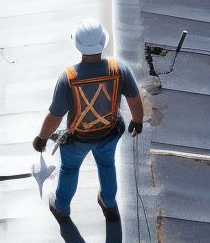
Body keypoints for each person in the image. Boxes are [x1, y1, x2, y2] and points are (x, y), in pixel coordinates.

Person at [32, 19, 144, 222]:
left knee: (69, 169)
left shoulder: (69, 77)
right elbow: (134, 99)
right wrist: (137, 121)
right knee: (107, 165)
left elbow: (55, 116)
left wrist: (42, 138)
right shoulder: (118, 69)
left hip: (79, 139)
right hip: (109, 133)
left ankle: (61, 207)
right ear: (103, 42)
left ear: (77, 44)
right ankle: (109, 203)